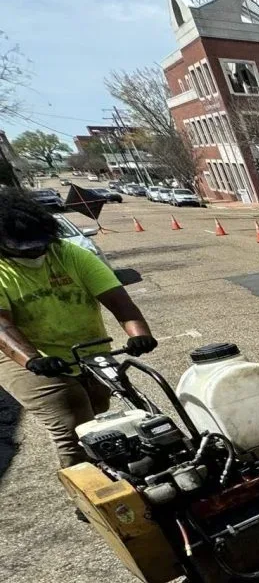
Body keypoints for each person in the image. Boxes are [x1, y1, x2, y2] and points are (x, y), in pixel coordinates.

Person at [0, 188, 158, 468]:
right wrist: (33, 360)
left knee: (99, 407)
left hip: (85, 346)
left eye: (40, 245)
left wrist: (140, 335)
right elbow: (2, 326)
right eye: (25, 248)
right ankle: (89, 496)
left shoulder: (70, 254)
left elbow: (120, 303)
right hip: (20, 353)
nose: (36, 252)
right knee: (72, 419)